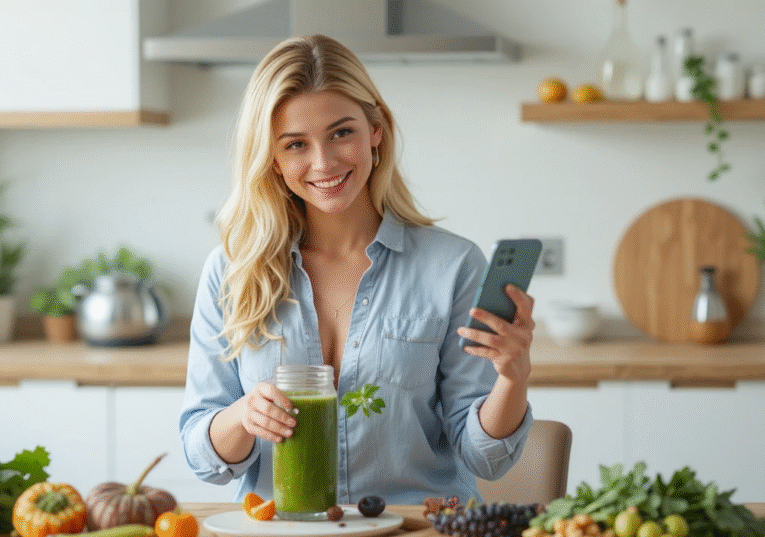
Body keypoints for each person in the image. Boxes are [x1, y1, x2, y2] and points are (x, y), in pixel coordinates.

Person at [180, 34, 534, 506]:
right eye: (295, 144)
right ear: (273, 160)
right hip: (285, 536)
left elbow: (485, 458)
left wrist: (512, 378)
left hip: (416, 535)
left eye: (341, 133)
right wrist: (244, 416)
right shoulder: (232, 271)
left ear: (375, 130)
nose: (323, 162)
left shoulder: (453, 267)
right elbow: (203, 458)